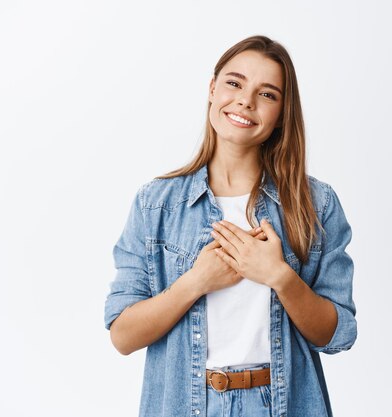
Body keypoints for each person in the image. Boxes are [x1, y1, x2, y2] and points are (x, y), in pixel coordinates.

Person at [104, 35, 357, 417]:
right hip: (185, 404)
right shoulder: (156, 204)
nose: (246, 101)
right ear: (212, 89)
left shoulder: (315, 206)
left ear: (282, 112)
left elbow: (337, 335)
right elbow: (122, 336)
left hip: (284, 405)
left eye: (267, 94)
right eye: (234, 83)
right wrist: (195, 282)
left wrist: (279, 276)